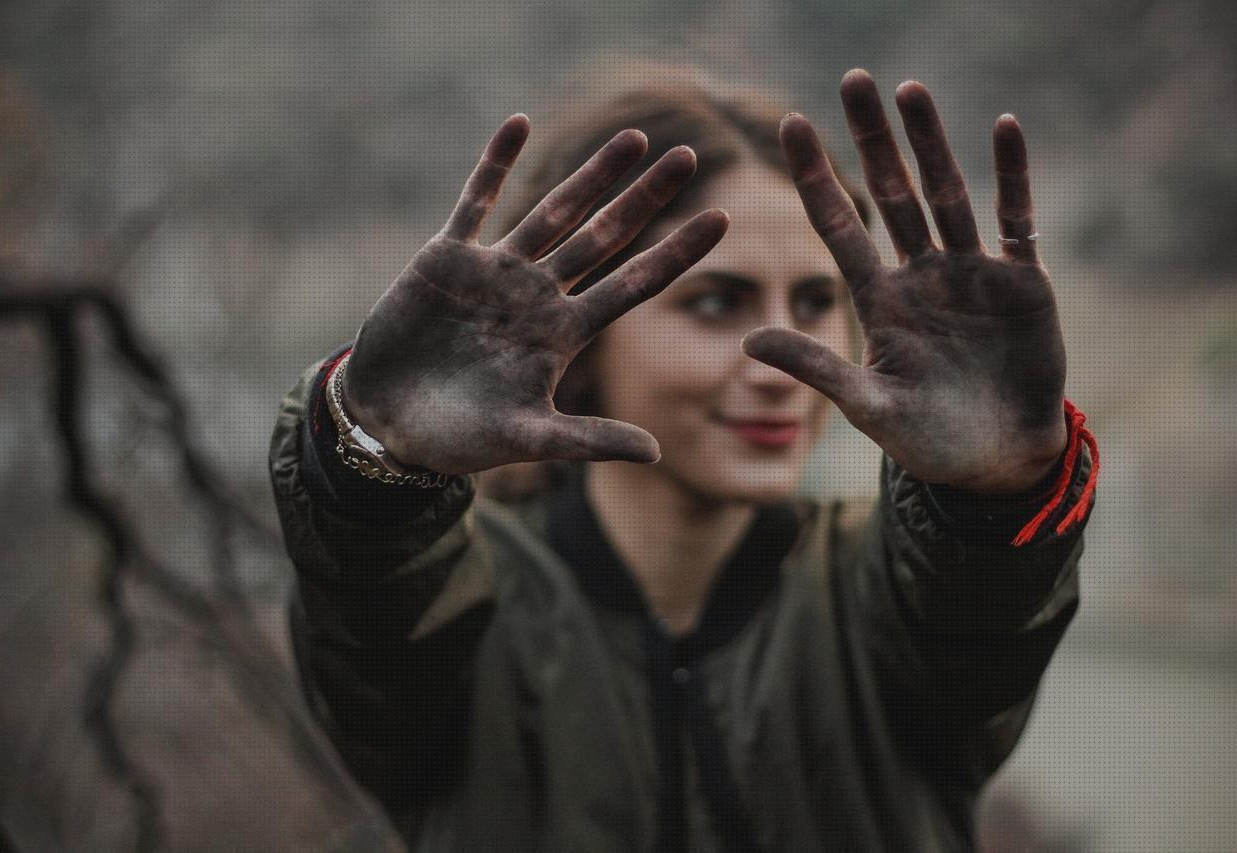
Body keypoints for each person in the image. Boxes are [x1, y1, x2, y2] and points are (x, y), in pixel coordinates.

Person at [270, 67, 1097, 852]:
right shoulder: (461, 618)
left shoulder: (887, 607)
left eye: (816, 301)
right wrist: (369, 448)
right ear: (582, 334)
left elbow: (983, 617)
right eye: (714, 302)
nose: (782, 360)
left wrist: (991, 494)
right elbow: (370, 604)